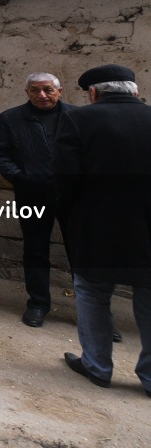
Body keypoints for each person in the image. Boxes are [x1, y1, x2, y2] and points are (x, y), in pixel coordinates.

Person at [55, 64, 151, 397]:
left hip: (98, 227)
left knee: (93, 294)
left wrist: (70, 213)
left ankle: (97, 366)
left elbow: (65, 178)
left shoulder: (78, 120)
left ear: (93, 93)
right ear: (135, 91)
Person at [0, 72, 77, 328]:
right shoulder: (11, 118)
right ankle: (38, 303)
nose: (42, 95)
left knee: (81, 252)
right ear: (26, 92)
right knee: (36, 250)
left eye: (48, 89)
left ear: (59, 91)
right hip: (32, 195)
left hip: (73, 196)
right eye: (35, 90)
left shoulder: (77, 116)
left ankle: (93, 309)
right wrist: (21, 178)